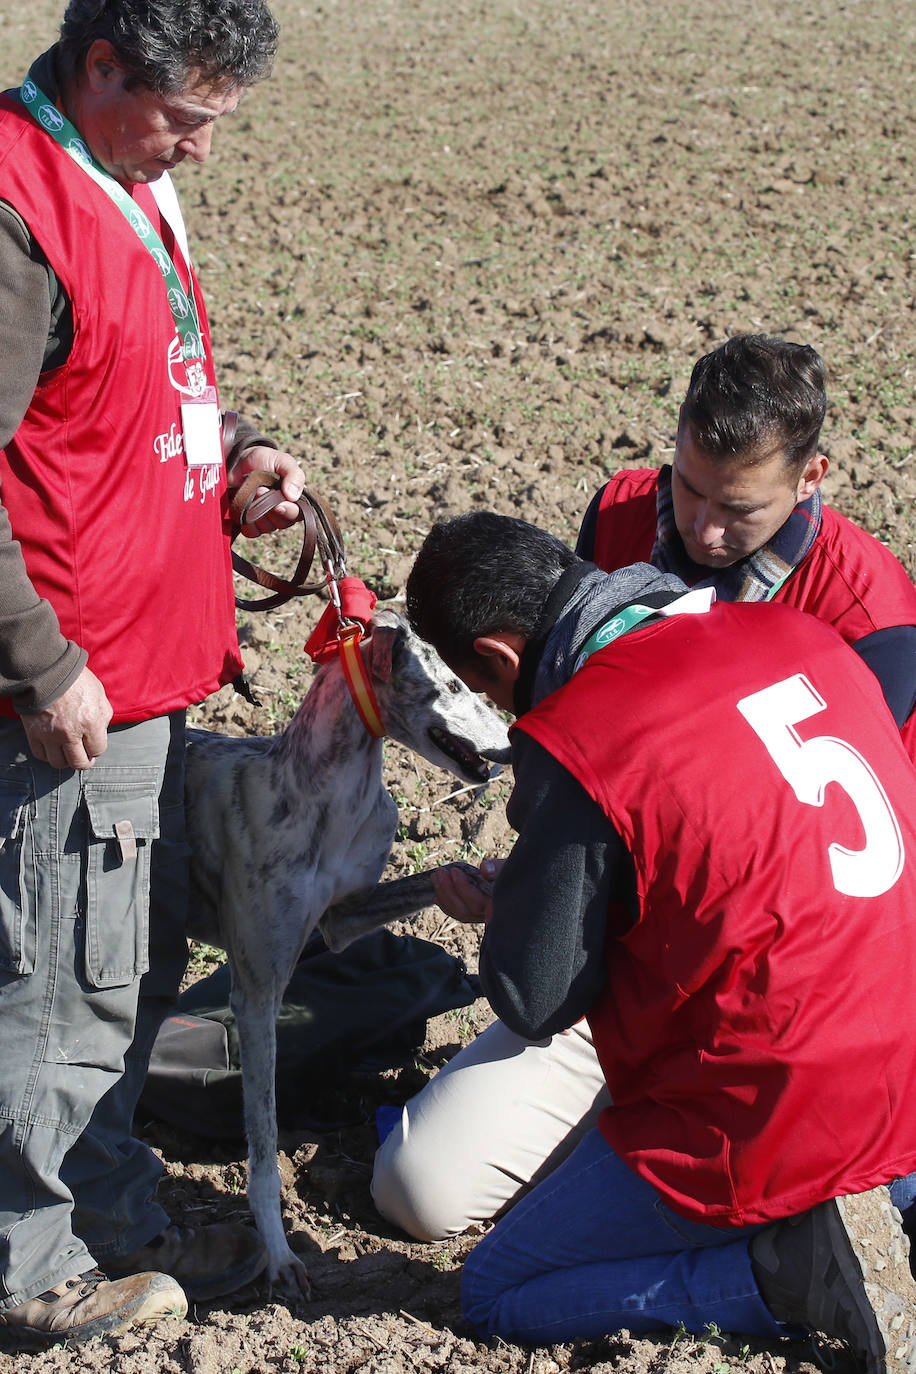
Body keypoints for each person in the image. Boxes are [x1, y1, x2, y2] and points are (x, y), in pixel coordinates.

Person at [372, 334, 916, 1247]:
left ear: (813, 473)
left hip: (779, 991)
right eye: (689, 487)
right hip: (639, 955)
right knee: (419, 1185)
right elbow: (603, 769)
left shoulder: (869, 614)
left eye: (738, 509)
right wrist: (543, 879)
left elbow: (863, 867)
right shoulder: (624, 511)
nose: (702, 529)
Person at [402, 510, 916, 1368]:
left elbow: (537, 998)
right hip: (901, 1051)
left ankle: (776, 1275)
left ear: (499, 658)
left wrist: (518, 905)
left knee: (494, 1291)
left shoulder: (587, 734)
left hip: (773, 1105)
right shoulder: (798, 632)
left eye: (485, 689)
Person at [0, 0, 307, 1351]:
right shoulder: (18, 205)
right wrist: (39, 657)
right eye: (186, 114)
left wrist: (231, 456)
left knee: (118, 976)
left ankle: (114, 1220)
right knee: (57, 984)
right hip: (69, 690)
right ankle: (34, 1264)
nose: (198, 146)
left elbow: (135, 370)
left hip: (150, 670)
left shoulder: (129, 177)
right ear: (102, 65)